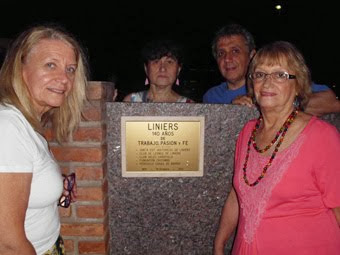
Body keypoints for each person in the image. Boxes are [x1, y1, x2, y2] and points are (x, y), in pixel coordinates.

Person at [214, 41, 340, 254]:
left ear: (298, 84)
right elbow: (240, 193)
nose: (267, 82)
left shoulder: (322, 136)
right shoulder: (247, 133)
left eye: (280, 75)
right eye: (260, 74)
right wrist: (219, 244)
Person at [0, 25, 88, 254]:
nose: (64, 79)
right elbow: (7, 244)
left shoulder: (27, 122)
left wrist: (53, 185)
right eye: (51, 65)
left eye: (70, 69)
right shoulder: (8, 127)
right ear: (20, 69)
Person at [203, 23, 340, 116]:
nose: (227, 59)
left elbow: (332, 102)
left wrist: (262, 103)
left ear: (252, 55)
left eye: (235, 51)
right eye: (221, 53)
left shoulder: (274, 83)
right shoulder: (211, 96)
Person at [123, 39, 194, 103]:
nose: (162, 68)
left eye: (169, 62)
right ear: (146, 68)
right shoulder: (132, 101)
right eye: (156, 62)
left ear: (178, 69)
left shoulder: (190, 106)